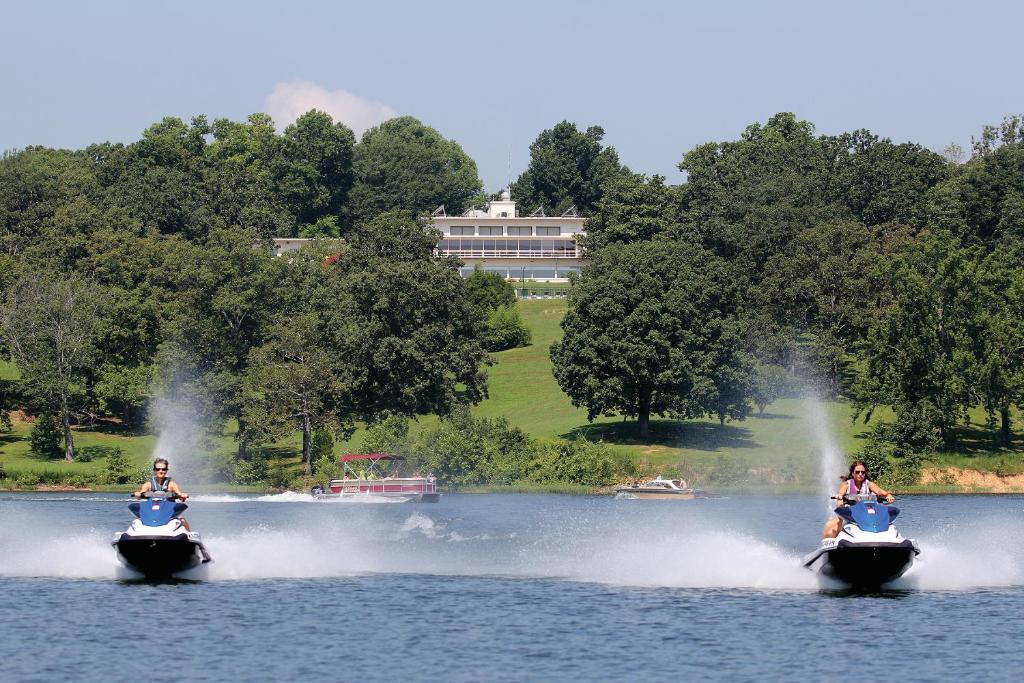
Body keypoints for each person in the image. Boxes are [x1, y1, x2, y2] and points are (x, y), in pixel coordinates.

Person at [821, 460, 894, 539]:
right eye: (857, 472)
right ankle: (836, 539)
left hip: (865, 514)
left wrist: (888, 495)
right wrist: (840, 495)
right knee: (840, 520)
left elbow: (879, 491)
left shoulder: (869, 484)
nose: (860, 474)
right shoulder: (846, 484)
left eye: (862, 472)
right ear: (853, 473)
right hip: (850, 515)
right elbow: (841, 492)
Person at [133, 458, 190, 531]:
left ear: (166, 470)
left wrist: (182, 496)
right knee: (136, 521)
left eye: (163, 469)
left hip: (170, 512)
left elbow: (180, 496)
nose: (160, 471)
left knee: (182, 520)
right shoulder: (148, 485)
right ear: (154, 470)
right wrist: (138, 494)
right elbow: (140, 496)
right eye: (158, 469)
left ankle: (189, 537)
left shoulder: (172, 484)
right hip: (151, 512)